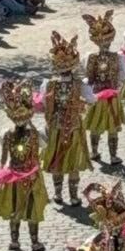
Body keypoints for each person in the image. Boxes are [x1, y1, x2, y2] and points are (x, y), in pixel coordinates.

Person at [0, 78, 48, 251]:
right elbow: (44, 144)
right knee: (23, 208)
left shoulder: (8, 134)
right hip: (24, 175)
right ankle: (30, 241)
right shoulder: (31, 134)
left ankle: (19, 241)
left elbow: (4, 159)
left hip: (19, 175)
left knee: (23, 208)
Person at [41, 30, 94, 207]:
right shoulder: (80, 84)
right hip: (74, 126)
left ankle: (57, 194)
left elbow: (44, 105)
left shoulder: (48, 84)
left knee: (57, 158)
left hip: (56, 126)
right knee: (73, 161)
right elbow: (91, 100)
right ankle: (73, 197)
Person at [82, 10, 125, 169]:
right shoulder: (118, 57)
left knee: (96, 126)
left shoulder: (91, 57)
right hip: (112, 96)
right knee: (112, 127)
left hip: (97, 96)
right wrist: (117, 87)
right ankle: (113, 155)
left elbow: (88, 78)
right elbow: (124, 76)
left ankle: (94, 152)